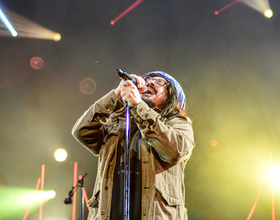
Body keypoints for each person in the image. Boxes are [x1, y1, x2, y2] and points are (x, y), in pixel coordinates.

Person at [72, 71, 195, 220]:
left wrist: (138, 106)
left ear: (172, 96)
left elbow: (175, 151)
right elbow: (81, 131)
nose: (149, 83)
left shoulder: (178, 124)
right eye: (147, 80)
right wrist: (116, 95)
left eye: (159, 82)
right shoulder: (116, 121)